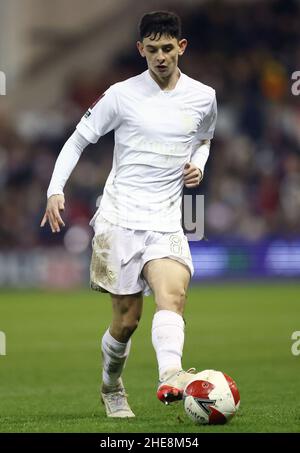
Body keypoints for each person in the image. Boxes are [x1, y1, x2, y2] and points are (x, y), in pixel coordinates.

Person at [40, 11, 217, 418]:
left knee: (173, 294)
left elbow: (204, 138)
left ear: (181, 48)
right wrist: (55, 190)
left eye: (167, 49)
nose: (159, 57)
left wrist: (200, 164)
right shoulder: (120, 95)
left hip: (167, 220)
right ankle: (110, 385)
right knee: (127, 321)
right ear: (140, 49)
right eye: (151, 49)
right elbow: (77, 140)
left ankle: (170, 373)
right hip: (119, 218)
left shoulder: (203, 96)